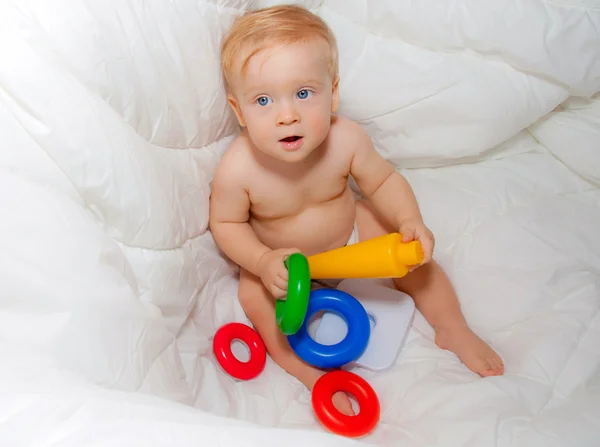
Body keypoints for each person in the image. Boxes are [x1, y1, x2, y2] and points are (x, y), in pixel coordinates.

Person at [209, 4, 504, 416]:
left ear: (334, 92)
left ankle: (452, 327)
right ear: (238, 110)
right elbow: (226, 223)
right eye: (263, 100)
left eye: (304, 93)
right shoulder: (238, 169)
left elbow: (382, 182)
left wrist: (408, 220)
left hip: (346, 237)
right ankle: (311, 374)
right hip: (283, 270)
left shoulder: (346, 139)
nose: (287, 114)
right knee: (253, 296)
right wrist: (260, 260)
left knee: (409, 251)